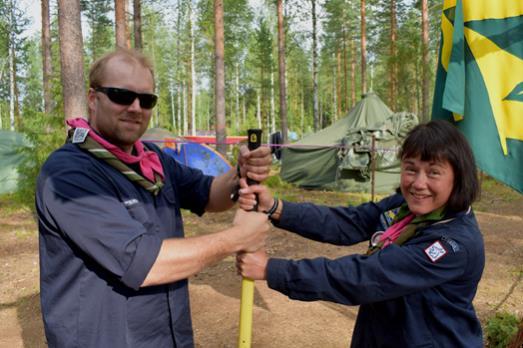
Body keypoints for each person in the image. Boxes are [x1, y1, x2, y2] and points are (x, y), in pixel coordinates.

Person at [36, 48, 271, 348]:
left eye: (146, 100)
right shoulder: (68, 174)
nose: (135, 107)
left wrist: (241, 172)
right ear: (93, 99)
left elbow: (210, 195)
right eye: (122, 95)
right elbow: (143, 263)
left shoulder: (152, 159)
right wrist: (236, 238)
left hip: (166, 335)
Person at [237, 120, 485, 347]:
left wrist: (272, 269)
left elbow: (365, 276)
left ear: (458, 178)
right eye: (411, 169)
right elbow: (348, 222)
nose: (418, 183)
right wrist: (276, 208)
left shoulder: (452, 245)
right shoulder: (404, 207)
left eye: (433, 172)